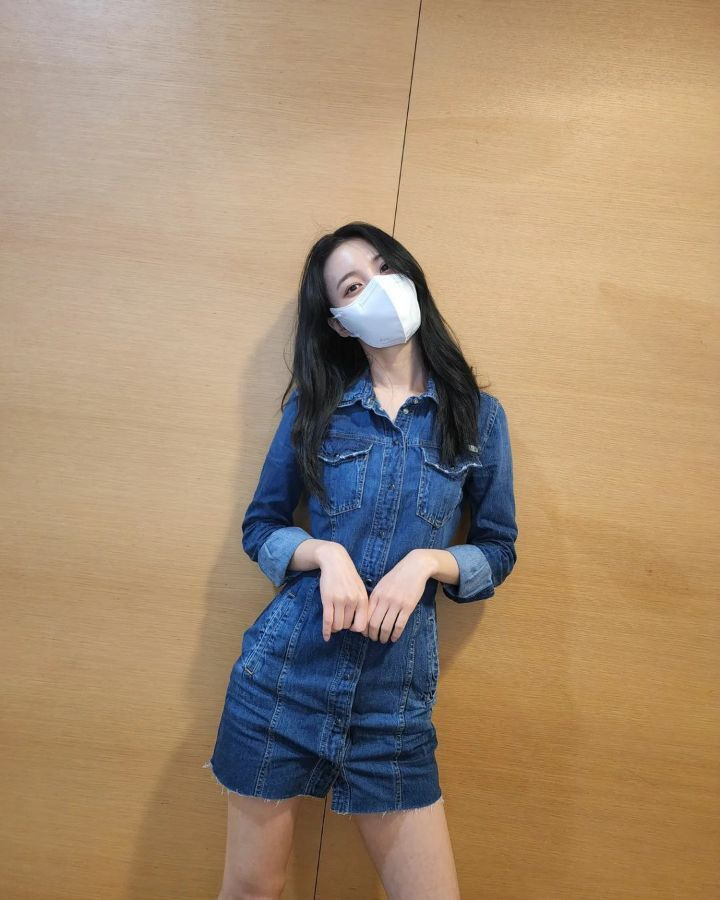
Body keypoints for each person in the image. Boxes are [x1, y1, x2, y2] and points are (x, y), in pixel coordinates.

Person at [204, 221, 518, 900]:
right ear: (339, 322)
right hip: (283, 683)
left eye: (384, 268)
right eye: (352, 287)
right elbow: (261, 526)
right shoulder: (314, 411)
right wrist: (323, 553)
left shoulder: (478, 417)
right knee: (253, 889)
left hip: (391, 707)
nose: (378, 289)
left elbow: (499, 548)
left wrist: (430, 562)